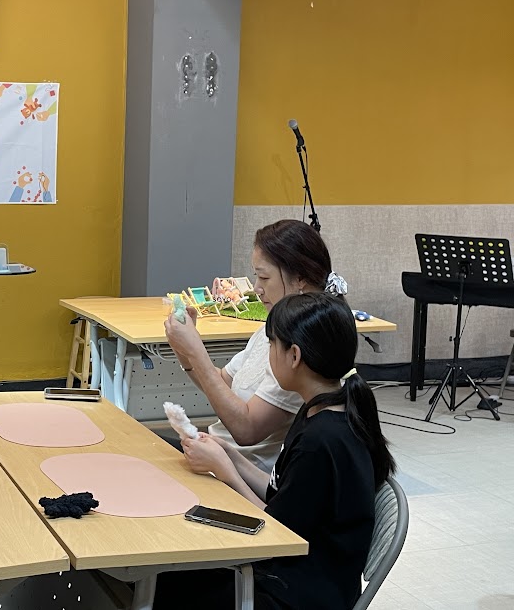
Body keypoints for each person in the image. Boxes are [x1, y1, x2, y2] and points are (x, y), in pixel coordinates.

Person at [155, 292, 396, 610]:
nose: (268, 354)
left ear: (294, 356)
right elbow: (279, 494)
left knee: (164, 584)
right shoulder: (318, 411)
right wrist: (228, 454)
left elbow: (276, 532)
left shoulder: (322, 440)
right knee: (167, 573)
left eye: (272, 345)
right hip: (292, 573)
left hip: (297, 593)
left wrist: (226, 472)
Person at [164, 219, 347, 472]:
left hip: (243, 471)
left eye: (264, 277)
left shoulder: (302, 348)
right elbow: (223, 382)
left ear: (300, 278)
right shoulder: (272, 327)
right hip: (221, 456)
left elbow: (247, 430)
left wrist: (195, 350)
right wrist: (184, 349)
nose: (256, 288)